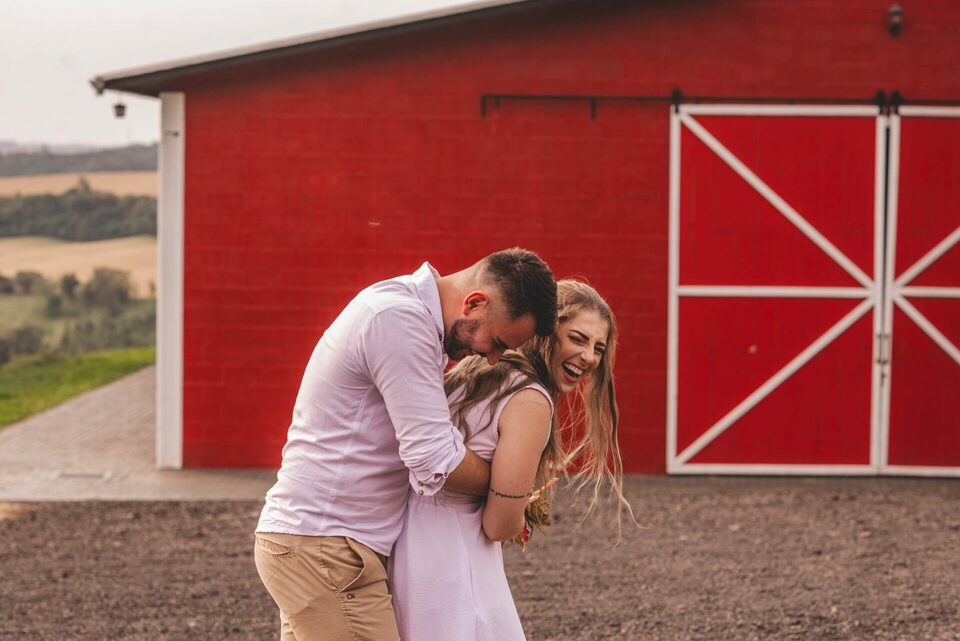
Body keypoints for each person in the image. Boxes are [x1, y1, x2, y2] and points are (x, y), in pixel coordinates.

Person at [253, 248, 557, 641]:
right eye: (496, 341)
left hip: (320, 544)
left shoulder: (407, 316)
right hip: (326, 548)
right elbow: (434, 459)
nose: (494, 358)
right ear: (475, 302)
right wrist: (508, 487)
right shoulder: (400, 321)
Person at [389, 279, 633, 641]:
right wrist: (519, 504)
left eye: (598, 348)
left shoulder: (467, 374)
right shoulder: (530, 400)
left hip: (407, 548)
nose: (589, 358)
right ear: (544, 332)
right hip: (456, 563)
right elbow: (500, 526)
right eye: (578, 339)